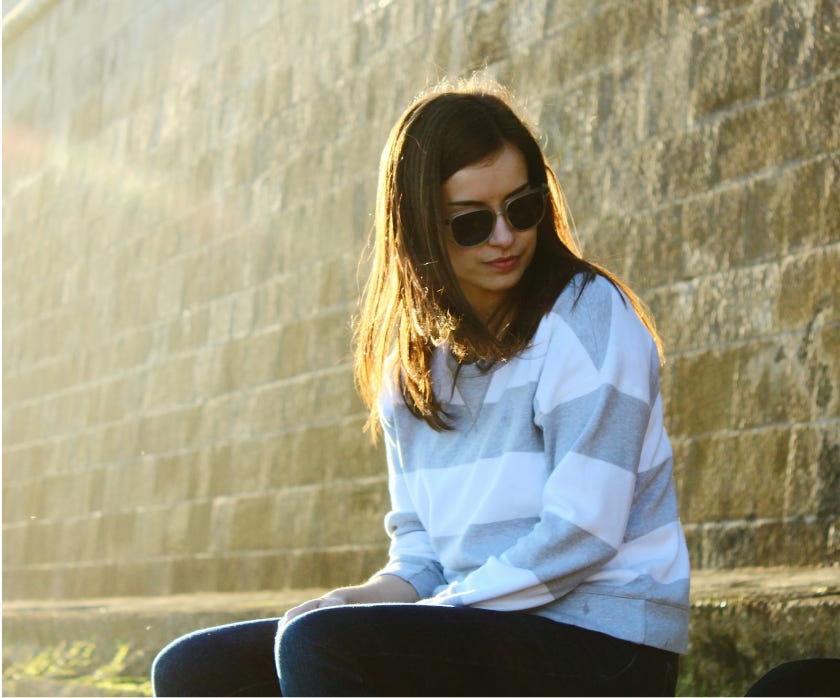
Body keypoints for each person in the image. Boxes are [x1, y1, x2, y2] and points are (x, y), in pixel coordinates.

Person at [151, 77, 690, 696]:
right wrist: (363, 599)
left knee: (324, 649)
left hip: (603, 647)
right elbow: (421, 554)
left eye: (521, 208)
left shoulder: (588, 317)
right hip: (477, 627)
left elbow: (582, 534)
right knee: (196, 668)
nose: (504, 237)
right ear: (419, 230)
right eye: (470, 224)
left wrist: (426, 618)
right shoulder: (411, 364)